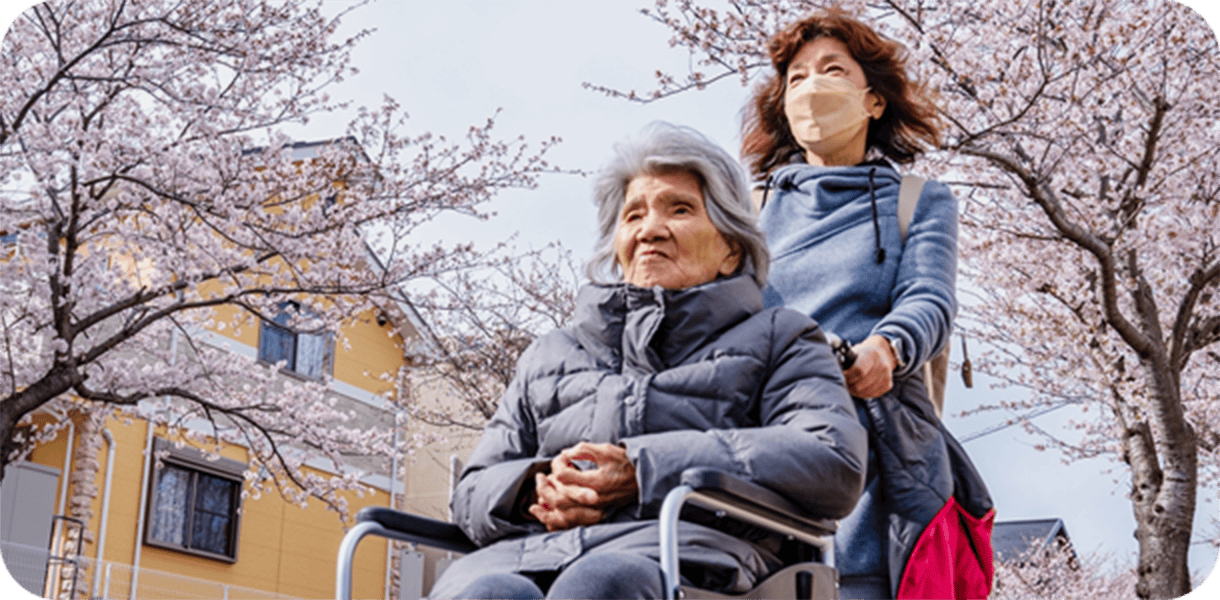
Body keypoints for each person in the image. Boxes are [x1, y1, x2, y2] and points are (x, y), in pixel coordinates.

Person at [427, 122, 868, 599]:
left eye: (680, 209)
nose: (650, 230)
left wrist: (645, 470)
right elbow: (470, 494)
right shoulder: (550, 355)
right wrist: (538, 489)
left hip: (687, 559)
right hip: (530, 555)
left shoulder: (782, 338)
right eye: (633, 215)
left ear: (731, 249)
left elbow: (832, 459)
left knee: (600, 583)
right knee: (488, 594)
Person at [742, 10, 994, 600]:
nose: (811, 88)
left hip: (869, 442)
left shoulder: (919, 201)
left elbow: (929, 298)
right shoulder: (747, 208)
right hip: (762, 438)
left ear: (873, 101)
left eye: (832, 70)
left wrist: (887, 346)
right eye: (797, 78)